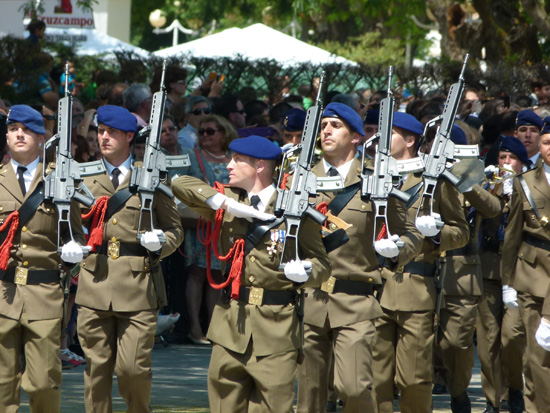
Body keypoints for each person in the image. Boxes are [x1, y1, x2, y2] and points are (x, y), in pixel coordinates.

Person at [172, 135, 331, 412]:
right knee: (224, 406)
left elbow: (323, 264)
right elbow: (178, 184)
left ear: (259, 165)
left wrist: (305, 271)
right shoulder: (228, 200)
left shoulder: (292, 209)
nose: (229, 166)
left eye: (237, 160)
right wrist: (226, 204)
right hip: (231, 323)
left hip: (276, 327)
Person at [296, 103, 422, 412]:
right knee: (309, 396)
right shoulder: (300, 179)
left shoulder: (373, 181)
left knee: (354, 389)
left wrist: (397, 248)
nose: (326, 130)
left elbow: (412, 233)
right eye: (323, 124)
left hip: (355, 302)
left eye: (335, 125)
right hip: (309, 301)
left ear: (355, 137)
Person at [76, 105, 183, 412]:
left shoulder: (149, 178)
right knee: (96, 373)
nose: (104, 137)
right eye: (100, 131)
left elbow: (174, 229)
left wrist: (160, 242)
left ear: (129, 137)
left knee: (132, 371)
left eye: (112, 132)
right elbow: (69, 224)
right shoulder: (83, 176)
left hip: (138, 285)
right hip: (94, 281)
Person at [372, 114, 469, 413]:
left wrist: (437, 234)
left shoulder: (433, 180)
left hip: (416, 290)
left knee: (414, 377)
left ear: (411, 140)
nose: (379, 140)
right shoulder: (371, 175)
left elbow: (461, 231)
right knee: (375, 379)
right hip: (373, 287)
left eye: (390, 133)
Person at [0, 105, 85, 412]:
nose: (18, 134)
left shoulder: (60, 182)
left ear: (41, 138)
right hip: (3, 293)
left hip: (44, 294)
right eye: (13, 129)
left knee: (43, 383)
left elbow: (77, 234)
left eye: (26, 130)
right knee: (2, 383)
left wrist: (74, 251)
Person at [433, 125, 501, 412]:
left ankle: (459, 391)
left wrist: (463, 179)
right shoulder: (420, 177)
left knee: (457, 345)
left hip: (461, 274)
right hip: (425, 268)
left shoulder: (469, 175)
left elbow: (493, 208)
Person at [477, 137, 528, 413]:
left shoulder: (529, 188)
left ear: (522, 163)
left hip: (518, 272)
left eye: (512, 159)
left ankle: (515, 389)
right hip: (487, 269)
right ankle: (492, 399)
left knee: (511, 337)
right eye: (502, 158)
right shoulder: (489, 188)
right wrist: (490, 191)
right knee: (487, 340)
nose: (506, 164)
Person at [503, 117, 550, 412]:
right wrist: (508, 282)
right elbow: (512, 236)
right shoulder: (526, 182)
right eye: (546, 143)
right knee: (535, 357)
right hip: (534, 275)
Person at [182, 114, 237, 344]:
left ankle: (213, 329)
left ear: (223, 133)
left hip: (225, 223)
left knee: (217, 273)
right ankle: (195, 328)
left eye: (210, 131)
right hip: (201, 223)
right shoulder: (193, 157)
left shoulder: (233, 158)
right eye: (201, 131)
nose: (204, 135)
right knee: (197, 272)